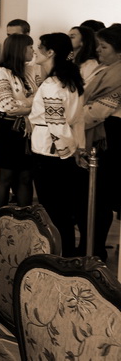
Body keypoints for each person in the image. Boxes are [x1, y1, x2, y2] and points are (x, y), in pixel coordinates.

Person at [29, 32, 85, 257]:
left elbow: (56, 123)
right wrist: (77, 148)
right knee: (63, 209)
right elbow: (78, 120)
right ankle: (65, 253)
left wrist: (67, 151)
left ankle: (58, 257)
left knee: (52, 209)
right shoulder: (71, 81)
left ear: (50, 52)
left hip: (49, 152)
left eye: (40, 47)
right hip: (63, 150)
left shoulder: (52, 84)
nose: (36, 51)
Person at [79, 25, 121, 261]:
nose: (98, 50)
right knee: (95, 198)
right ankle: (91, 247)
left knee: (101, 198)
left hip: (111, 139)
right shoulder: (105, 70)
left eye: (104, 47)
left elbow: (97, 111)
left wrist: (72, 119)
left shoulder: (117, 74)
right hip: (103, 136)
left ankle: (95, 251)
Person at [0, 33, 36, 209]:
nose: (33, 51)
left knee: (26, 176)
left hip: (28, 128)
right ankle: (0, 216)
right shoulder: (0, 72)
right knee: (6, 176)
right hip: (10, 128)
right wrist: (32, 105)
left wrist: (27, 105)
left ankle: (26, 217)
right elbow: (7, 104)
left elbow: (41, 98)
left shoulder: (30, 71)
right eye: (30, 47)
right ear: (20, 49)